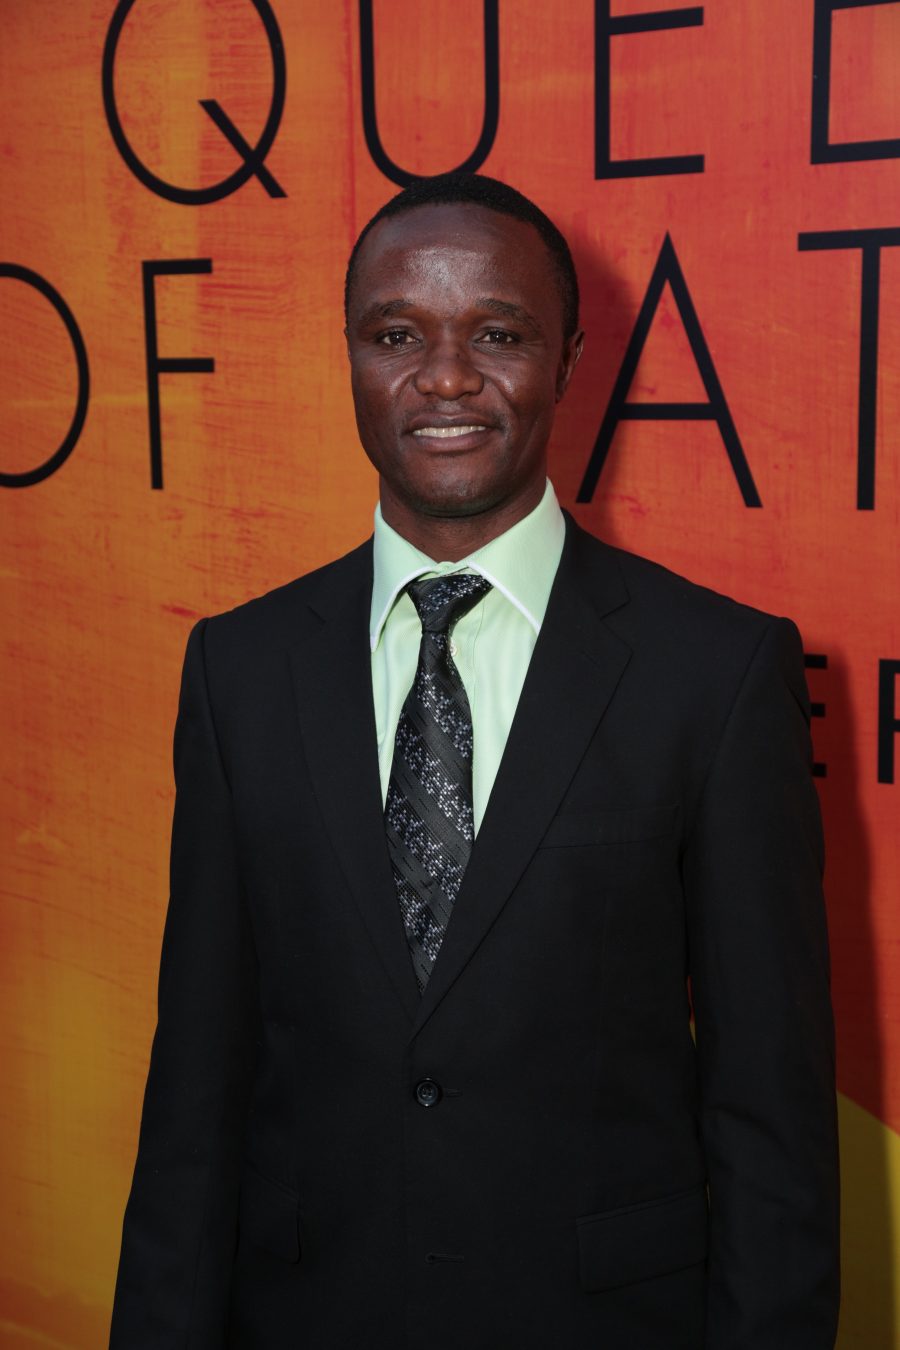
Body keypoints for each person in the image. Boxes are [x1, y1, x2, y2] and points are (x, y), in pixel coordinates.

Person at [110, 173, 839, 1349]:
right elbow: (196, 1090)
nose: (445, 377)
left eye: (497, 333)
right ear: (347, 353)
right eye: (397, 334)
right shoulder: (236, 671)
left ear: (570, 356)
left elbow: (772, 1123)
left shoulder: (719, 672)